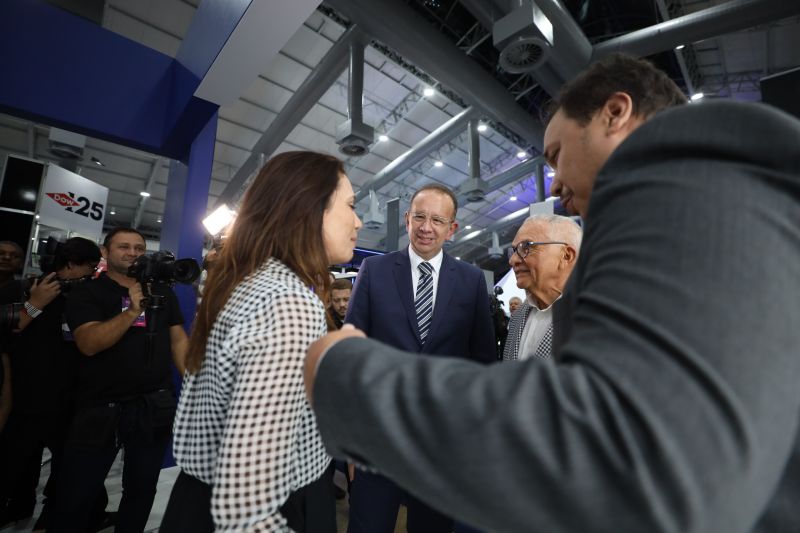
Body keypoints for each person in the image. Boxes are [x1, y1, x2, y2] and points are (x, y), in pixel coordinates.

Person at [302, 52, 800, 532]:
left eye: (557, 154)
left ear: (616, 113)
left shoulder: (692, 199)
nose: (556, 183)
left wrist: (347, 377)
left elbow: (617, 451)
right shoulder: (722, 198)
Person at [161, 151, 362, 532]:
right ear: (310, 209)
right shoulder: (288, 302)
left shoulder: (244, 282)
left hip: (197, 498)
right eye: (350, 206)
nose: (358, 220)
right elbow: (245, 502)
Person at [343, 183, 494, 533]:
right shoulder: (375, 271)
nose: (427, 227)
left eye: (438, 220)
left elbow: (482, 362)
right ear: (407, 219)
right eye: (420, 217)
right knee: (367, 525)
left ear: (452, 228)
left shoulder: (471, 280)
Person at [50, 227, 189, 533]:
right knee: (76, 495)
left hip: (153, 405)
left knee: (141, 491)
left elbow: (179, 342)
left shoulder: (163, 292)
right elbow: (88, 342)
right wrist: (132, 311)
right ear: (106, 252)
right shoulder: (88, 292)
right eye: (124, 247)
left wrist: (196, 387)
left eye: (139, 248)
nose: (133, 253)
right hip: (101, 406)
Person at [0, 238, 107, 530]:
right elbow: (9, 328)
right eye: (90, 267)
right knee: (13, 462)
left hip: (68, 398)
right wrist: (35, 305)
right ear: (70, 264)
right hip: (24, 396)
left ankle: (53, 514)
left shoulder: (85, 297)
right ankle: (16, 508)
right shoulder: (23, 289)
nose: (93, 272)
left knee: (68, 467)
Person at [503, 215, 581, 361]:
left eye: (527, 247)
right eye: (514, 250)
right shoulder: (518, 315)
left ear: (566, 256)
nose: (512, 260)